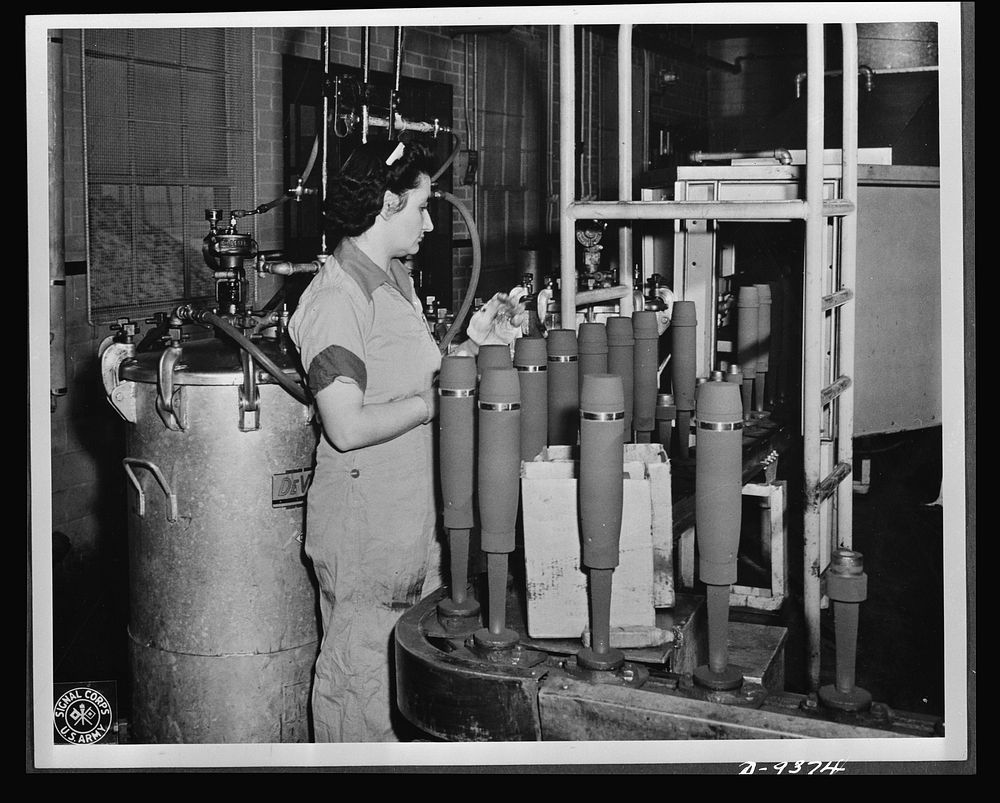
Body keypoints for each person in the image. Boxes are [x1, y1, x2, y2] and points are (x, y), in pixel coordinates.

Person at [288, 138, 524, 742]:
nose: (428, 220)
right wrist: (434, 404)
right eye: (420, 206)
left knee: (403, 691)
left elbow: (412, 373)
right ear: (387, 203)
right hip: (366, 529)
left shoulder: (393, 279)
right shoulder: (336, 298)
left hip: (410, 520)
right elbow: (346, 426)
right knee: (360, 687)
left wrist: (473, 346)